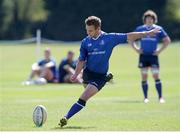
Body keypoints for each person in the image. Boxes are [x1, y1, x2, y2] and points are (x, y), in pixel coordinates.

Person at [58, 16, 160, 127]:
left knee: (84, 97)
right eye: (86, 30)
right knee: (86, 89)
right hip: (87, 74)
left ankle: (65, 117)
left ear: (98, 28)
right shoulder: (85, 42)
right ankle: (107, 78)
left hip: (99, 77)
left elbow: (129, 36)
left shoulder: (110, 38)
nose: (88, 33)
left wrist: (147, 33)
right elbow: (81, 60)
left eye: (90, 30)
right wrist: (76, 73)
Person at [130, 10, 171, 103]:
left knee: (156, 75)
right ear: (145, 20)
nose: (149, 20)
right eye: (147, 19)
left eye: (151, 19)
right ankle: (146, 98)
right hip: (143, 56)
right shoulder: (140, 29)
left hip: (153, 56)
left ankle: (160, 97)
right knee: (144, 76)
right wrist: (136, 49)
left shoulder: (158, 29)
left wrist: (159, 51)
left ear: (154, 20)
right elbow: (131, 39)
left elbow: (167, 40)